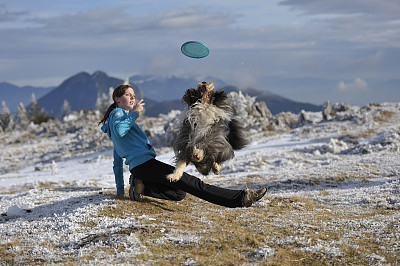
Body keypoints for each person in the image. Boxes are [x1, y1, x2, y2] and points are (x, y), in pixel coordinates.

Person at [99, 84, 266, 207]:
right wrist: (135, 113)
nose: (133, 97)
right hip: (144, 165)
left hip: (141, 169)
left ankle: (140, 188)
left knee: (179, 193)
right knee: (192, 183)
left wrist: (120, 191)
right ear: (117, 99)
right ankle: (240, 198)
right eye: (128, 95)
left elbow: (116, 161)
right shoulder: (118, 113)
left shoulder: (116, 123)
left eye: (133, 94)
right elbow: (121, 131)